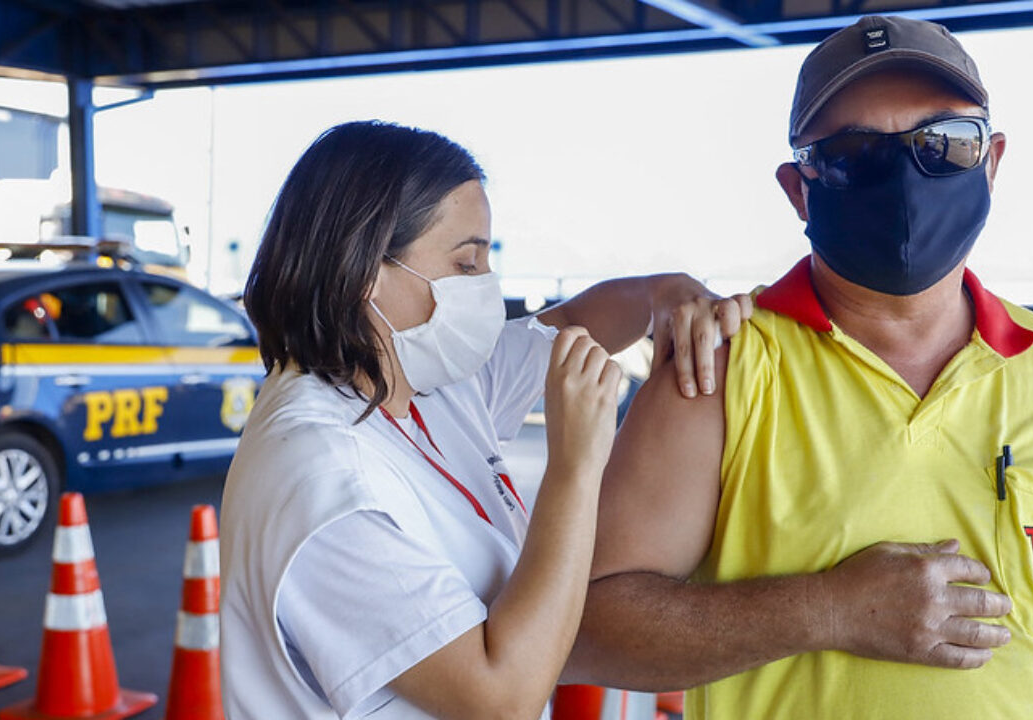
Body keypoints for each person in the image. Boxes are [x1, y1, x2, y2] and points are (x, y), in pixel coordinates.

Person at [571, 14, 1033, 719]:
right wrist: (826, 610)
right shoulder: (719, 367)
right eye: (855, 152)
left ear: (990, 162)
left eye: (944, 142)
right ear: (798, 189)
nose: (905, 176)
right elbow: (586, 631)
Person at [218, 120, 752, 719]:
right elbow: (502, 697)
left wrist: (663, 294)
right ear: (366, 270)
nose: (486, 287)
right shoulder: (323, 482)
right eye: (467, 263)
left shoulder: (424, 382)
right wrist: (575, 469)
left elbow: (570, 323)